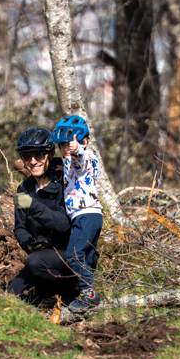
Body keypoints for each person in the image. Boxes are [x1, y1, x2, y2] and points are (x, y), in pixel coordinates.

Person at [7, 127, 78, 304]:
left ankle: (74, 294)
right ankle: (50, 292)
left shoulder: (66, 182)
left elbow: (64, 225)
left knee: (34, 261)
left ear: (51, 154)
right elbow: (20, 227)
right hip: (39, 259)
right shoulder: (23, 189)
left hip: (70, 256)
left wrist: (33, 205)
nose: (33, 161)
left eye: (39, 154)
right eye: (27, 156)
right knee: (11, 297)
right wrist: (29, 243)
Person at [49, 115, 103, 313]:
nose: (66, 149)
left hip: (86, 215)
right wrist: (64, 167)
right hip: (88, 215)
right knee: (86, 258)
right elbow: (75, 171)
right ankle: (87, 295)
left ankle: (89, 294)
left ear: (84, 141)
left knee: (73, 255)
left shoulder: (86, 157)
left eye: (70, 144)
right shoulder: (69, 163)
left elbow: (82, 162)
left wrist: (77, 150)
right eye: (62, 145)